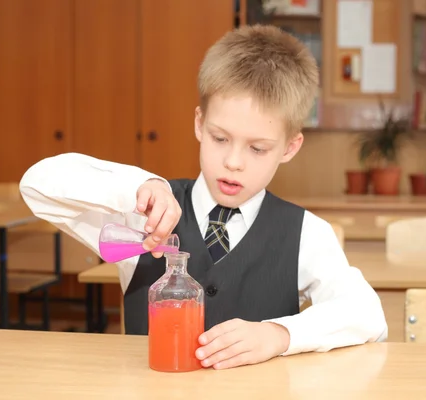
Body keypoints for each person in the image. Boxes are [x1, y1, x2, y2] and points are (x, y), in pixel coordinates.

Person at [19, 24, 387, 370]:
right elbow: (36, 187)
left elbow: (367, 315)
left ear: (290, 148)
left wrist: (280, 334)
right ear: (199, 124)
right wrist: (136, 186)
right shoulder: (140, 215)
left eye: (258, 149)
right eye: (220, 138)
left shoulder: (307, 232)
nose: (233, 162)